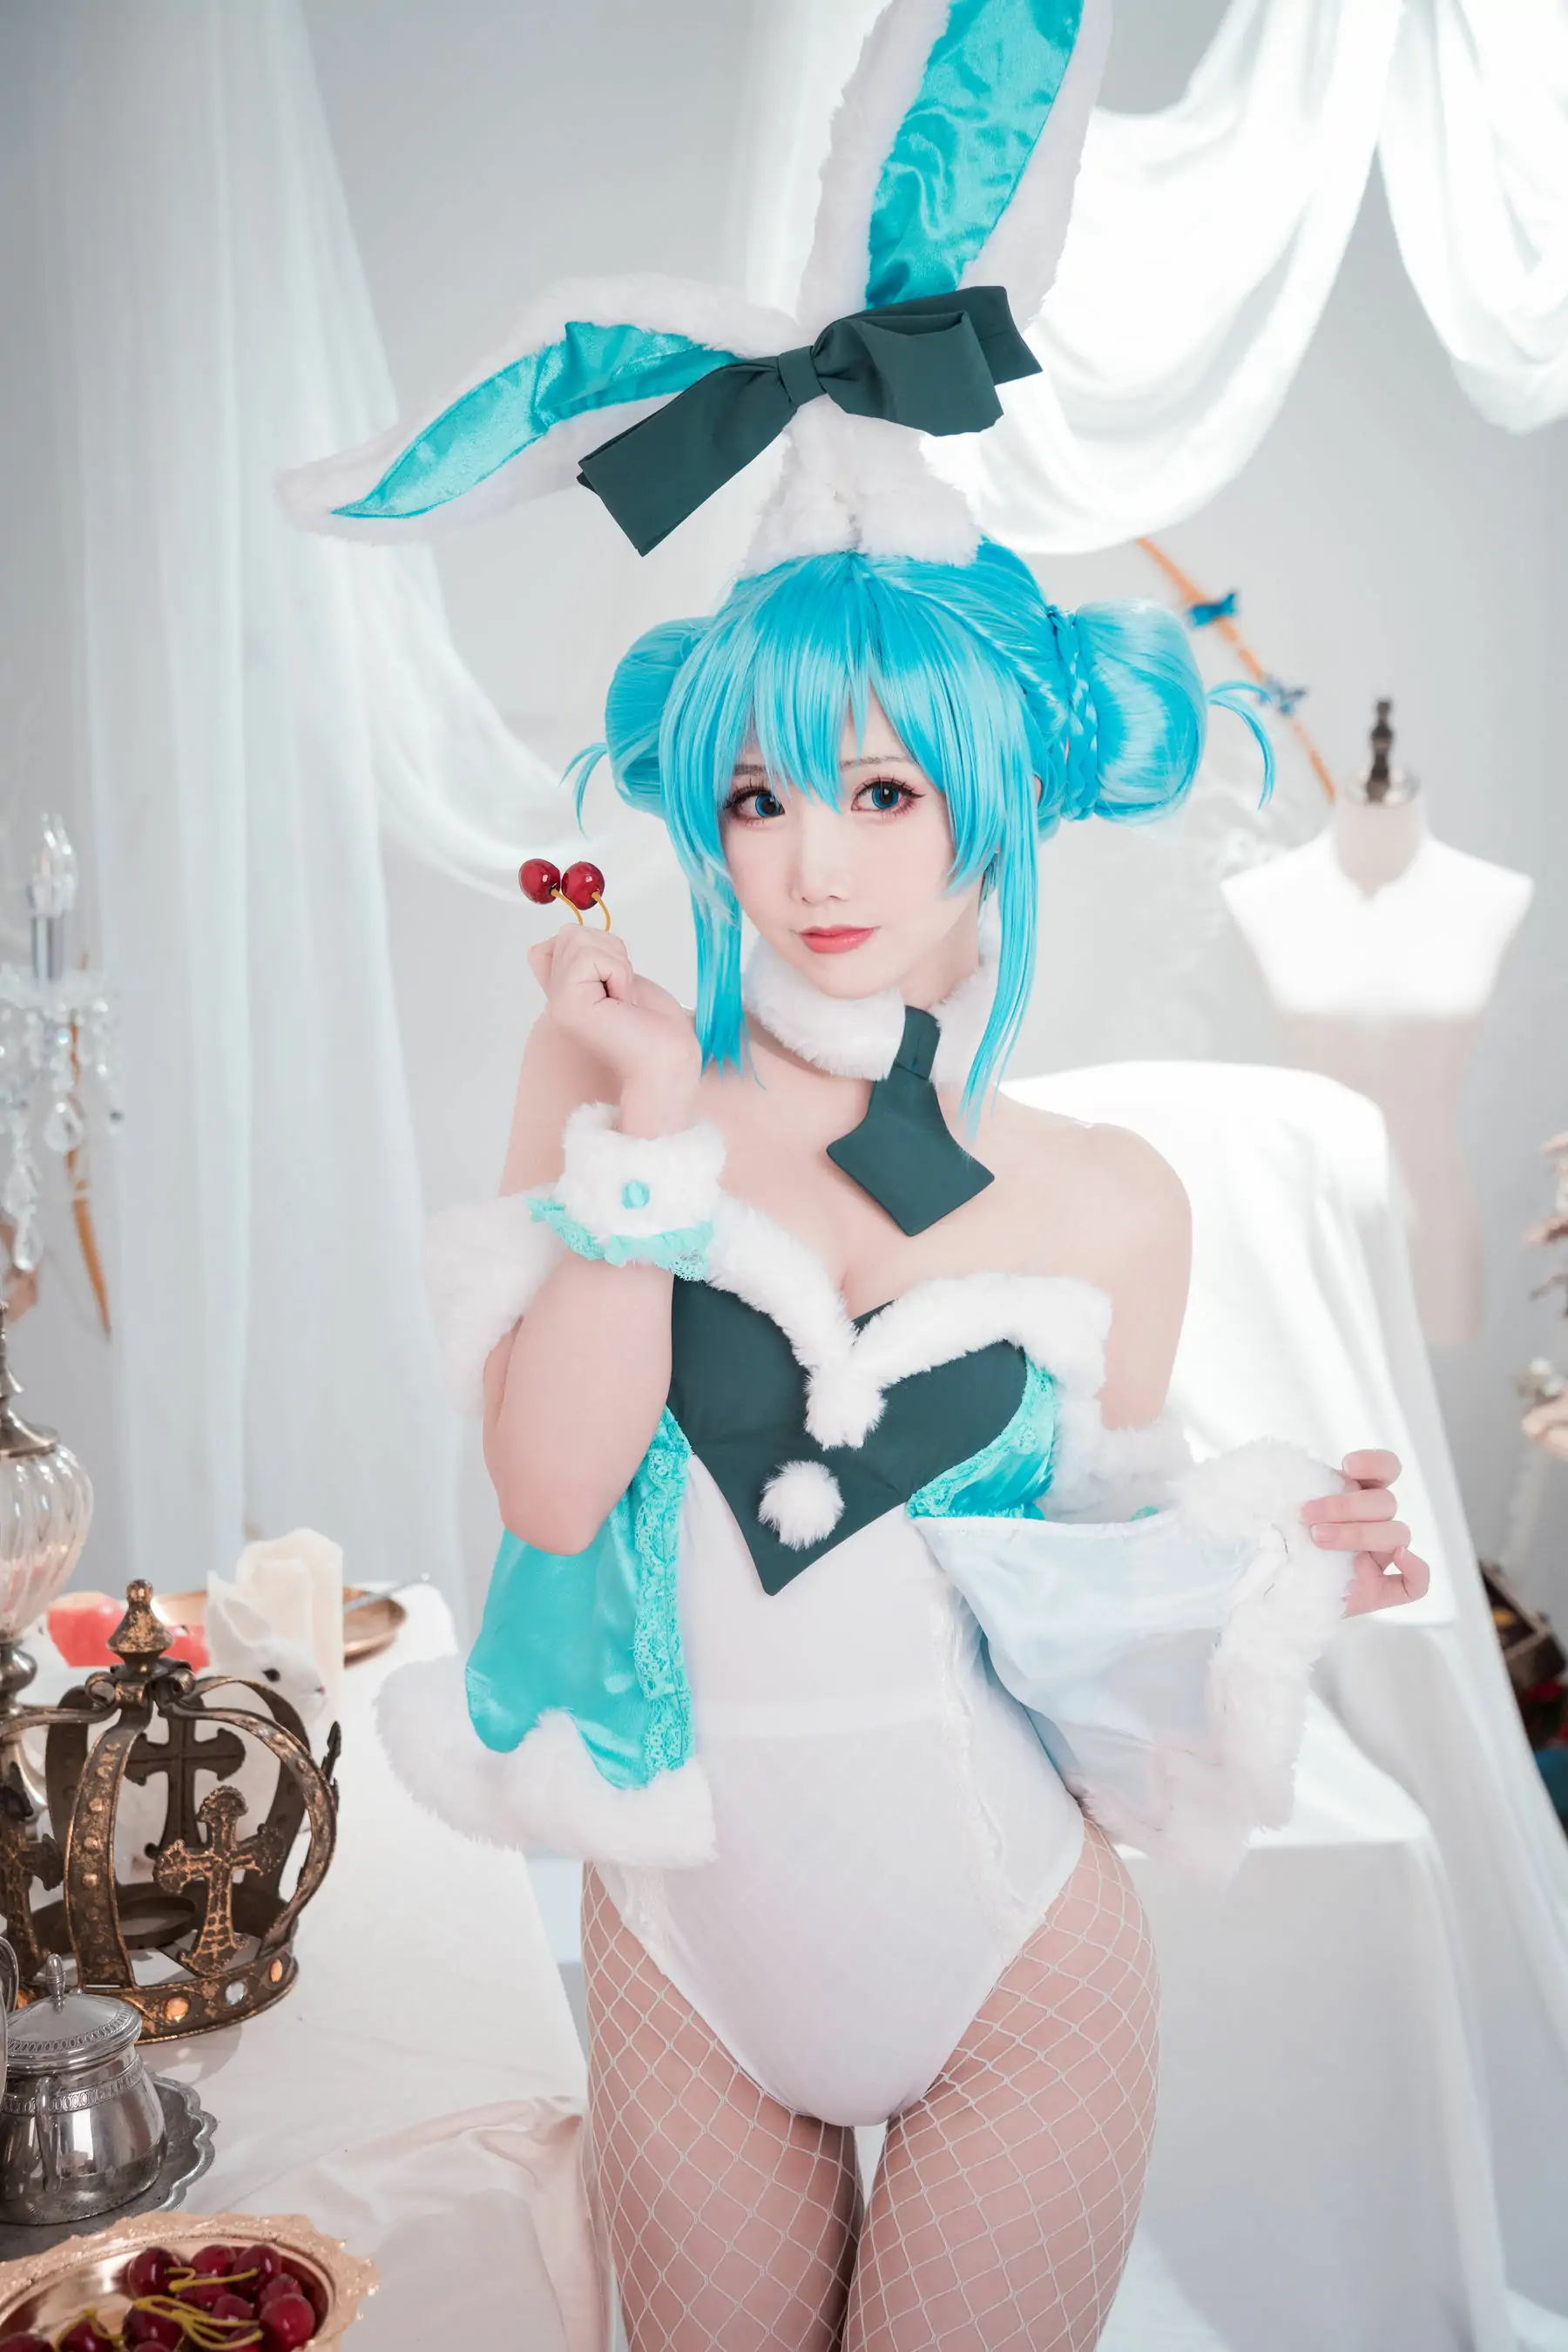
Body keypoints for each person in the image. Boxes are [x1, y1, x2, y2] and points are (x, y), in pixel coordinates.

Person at [284, 8, 1428, 2342]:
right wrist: (635, 1131)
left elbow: (1083, 1633)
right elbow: (549, 1479)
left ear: (991, 806)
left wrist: (1275, 1556)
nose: (816, 860)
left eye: (887, 793)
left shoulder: (1108, 1194)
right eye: (765, 793)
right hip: (690, 1952)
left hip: (1019, 1967)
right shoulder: (610, 1071)